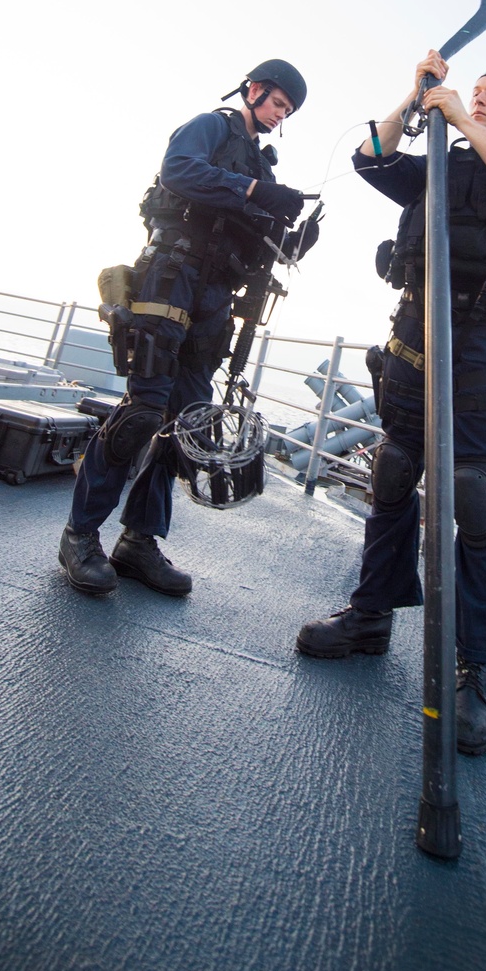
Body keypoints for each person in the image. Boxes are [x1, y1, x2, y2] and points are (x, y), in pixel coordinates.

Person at [296, 50, 486, 756]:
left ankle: (475, 668)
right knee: (392, 472)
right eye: (472, 91)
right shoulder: (433, 165)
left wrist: (455, 118)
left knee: (472, 495)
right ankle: (370, 616)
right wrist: (414, 96)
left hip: (478, 346)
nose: (478, 98)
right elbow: (370, 155)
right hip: (413, 339)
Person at [59, 58, 313, 598]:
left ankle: (139, 541)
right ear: (254, 89)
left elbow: (259, 234)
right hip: (170, 277)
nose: (278, 116)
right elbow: (180, 170)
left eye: (287, 112)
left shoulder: (261, 168)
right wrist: (252, 192)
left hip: (214, 298)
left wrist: (292, 237)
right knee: (142, 411)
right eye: (276, 104)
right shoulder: (211, 127)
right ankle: (80, 536)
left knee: (188, 424)